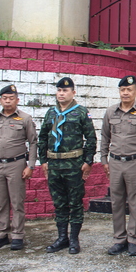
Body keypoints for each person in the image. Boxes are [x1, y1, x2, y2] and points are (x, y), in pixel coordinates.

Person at [38, 77, 97, 255]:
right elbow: (42, 137)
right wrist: (43, 161)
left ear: (73, 92)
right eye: (59, 90)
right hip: (54, 164)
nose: (61, 94)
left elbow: (91, 138)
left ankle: (74, 240)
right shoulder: (51, 113)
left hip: (73, 164)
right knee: (59, 203)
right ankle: (62, 238)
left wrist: (88, 161)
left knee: (75, 203)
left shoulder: (81, 112)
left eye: (65, 90)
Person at [101, 75, 136, 256]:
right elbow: (105, 137)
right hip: (115, 163)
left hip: (135, 163)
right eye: (122, 89)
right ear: (119, 91)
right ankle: (119, 239)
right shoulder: (111, 112)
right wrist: (104, 160)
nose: (125, 93)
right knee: (116, 202)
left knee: (134, 202)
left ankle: (133, 239)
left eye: (129, 90)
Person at [0, 85, 38, 251]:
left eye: (11, 98)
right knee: (0, 202)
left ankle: (18, 235)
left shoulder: (25, 119)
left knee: (17, 202)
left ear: (17, 100)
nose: (8, 101)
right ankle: (1, 234)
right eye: (5, 98)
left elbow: (33, 142)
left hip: (16, 165)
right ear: (0, 100)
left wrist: (31, 165)